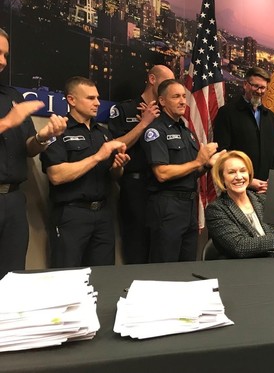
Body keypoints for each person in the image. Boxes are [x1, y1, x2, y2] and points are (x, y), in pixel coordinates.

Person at [40, 76, 130, 268]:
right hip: (72, 213)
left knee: (104, 276)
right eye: (90, 98)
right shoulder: (58, 132)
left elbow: (114, 176)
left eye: (97, 97)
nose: (97, 103)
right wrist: (98, 156)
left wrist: (118, 166)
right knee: (67, 275)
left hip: (103, 213)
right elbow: (56, 175)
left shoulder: (103, 133)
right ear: (72, 100)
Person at [0, 28, 67, 277]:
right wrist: (6, 122)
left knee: (13, 277)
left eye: (6, 55)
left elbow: (28, 148)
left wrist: (44, 136)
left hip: (14, 201)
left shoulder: (12, 97)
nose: (3, 61)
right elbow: (8, 124)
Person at [140, 79, 221, 263]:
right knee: (165, 267)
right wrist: (198, 161)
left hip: (189, 207)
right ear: (162, 101)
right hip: (167, 206)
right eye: (176, 97)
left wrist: (207, 164)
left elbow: (191, 171)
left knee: (186, 265)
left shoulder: (187, 132)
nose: (183, 101)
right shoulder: (155, 131)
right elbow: (161, 173)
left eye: (184, 96)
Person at [108, 65, 173, 264]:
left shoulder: (166, 114)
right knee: (136, 249)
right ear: (152, 79)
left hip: (162, 188)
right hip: (135, 188)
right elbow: (116, 146)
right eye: (165, 82)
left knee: (161, 250)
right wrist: (143, 124)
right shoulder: (125, 109)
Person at [205, 151, 274, 258]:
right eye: (232, 172)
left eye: (243, 171)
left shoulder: (262, 200)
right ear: (222, 178)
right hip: (236, 270)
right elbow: (239, 247)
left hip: (270, 267)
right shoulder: (216, 210)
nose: (238, 177)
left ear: (249, 174)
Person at [213, 67, 274, 194]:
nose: (259, 91)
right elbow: (223, 153)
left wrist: (272, 180)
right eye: (255, 86)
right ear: (245, 85)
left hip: (266, 189)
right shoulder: (227, 113)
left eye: (263, 88)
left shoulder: (271, 117)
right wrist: (248, 180)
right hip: (237, 187)